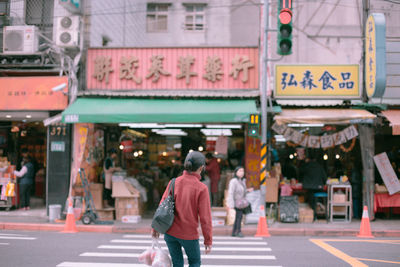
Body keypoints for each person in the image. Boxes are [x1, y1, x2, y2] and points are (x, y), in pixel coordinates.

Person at [152, 151, 212, 267]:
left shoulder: (174, 182)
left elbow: (162, 206)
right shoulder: (201, 188)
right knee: (194, 262)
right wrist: (208, 240)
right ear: (201, 168)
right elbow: (205, 218)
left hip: (170, 233)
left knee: (177, 263)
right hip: (189, 234)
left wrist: (155, 228)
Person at [227, 166, 253, 237]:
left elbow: (242, 191)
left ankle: (234, 232)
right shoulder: (233, 181)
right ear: (236, 172)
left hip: (241, 202)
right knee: (239, 217)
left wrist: (247, 190)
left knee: (239, 217)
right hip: (236, 202)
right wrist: (231, 204)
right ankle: (238, 231)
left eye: (242, 171)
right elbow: (231, 193)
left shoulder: (242, 181)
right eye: (240, 171)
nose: (242, 173)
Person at [299, 153, 327, 218]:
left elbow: (300, 172)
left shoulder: (306, 165)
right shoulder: (320, 166)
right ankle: (319, 213)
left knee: (311, 199)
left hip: (309, 187)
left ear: (308, 159)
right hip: (319, 187)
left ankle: (312, 214)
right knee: (318, 200)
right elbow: (325, 177)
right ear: (315, 159)